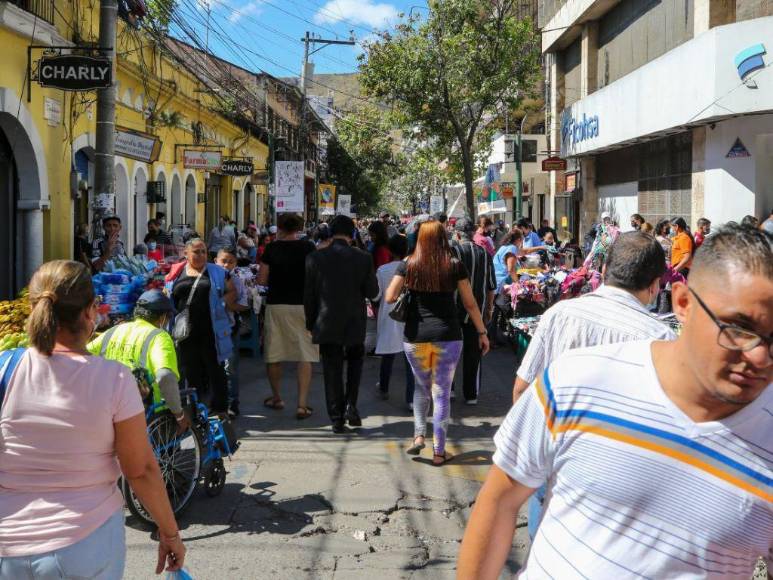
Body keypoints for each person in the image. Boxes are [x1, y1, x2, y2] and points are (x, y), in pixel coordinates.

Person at [458, 224, 772, 579]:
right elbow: (499, 501)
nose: (760, 357)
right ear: (682, 303)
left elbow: (520, 388)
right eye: (739, 328)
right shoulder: (576, 377)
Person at [0, 261, 186, 578]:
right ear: (90, 313)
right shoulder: (114, 379)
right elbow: (139, 470)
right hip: (85, 542)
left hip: (8, 547)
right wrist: (169, 533)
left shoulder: (5, 367)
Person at [511, 231, 676, 541]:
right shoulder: (663, 339)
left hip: (552, 467)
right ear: (655, 286)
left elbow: (522, 390)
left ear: (603, 272)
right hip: (622, 495)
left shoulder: (559, 315)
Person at [385, 220, 490, 465]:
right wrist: (482, 332)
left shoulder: (408, 264)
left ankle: (419, 436)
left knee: (422, 389)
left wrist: (410, 289)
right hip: (448, 336)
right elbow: (470, 303)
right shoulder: (454, 265)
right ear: (444, 237)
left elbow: (389, 297)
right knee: (441, 393)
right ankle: (439, 452)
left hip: (416, 337)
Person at [305, 215, 379, 433]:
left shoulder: (315, 258)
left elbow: (309, 295)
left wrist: (310, 323)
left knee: (331, 368)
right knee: (355, 363)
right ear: (352, 233)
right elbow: (372, 292)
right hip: (354, 321)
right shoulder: (363, 258)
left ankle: (336, 417)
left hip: (326, 320)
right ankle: (351, 405)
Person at [88, 289, 190, 432]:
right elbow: (165, 376)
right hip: (150, 415)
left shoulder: (115, 331)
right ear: (162, 318)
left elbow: (82, 357)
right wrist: (179, 414)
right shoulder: (160, 337)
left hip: (110, 410)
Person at [257, 213, 318, 420]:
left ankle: (277, 398)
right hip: (303, 305)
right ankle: (302, 405)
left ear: (280, 227)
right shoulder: (309, 247)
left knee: (274, 353)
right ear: (299, 227)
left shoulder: (272, 249)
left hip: (277, 304)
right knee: (305, 354)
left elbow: (262, 280)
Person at [166, 238, 235, 416]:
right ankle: (195, 409)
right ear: (186, 254)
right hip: (185, 332)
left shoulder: (218, 272)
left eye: (204, 251)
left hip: (211, 330)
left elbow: (232, 291)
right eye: (197, 251)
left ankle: (220, 408)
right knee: (190, 371)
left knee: (216, 369)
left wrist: (223, 305)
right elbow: (169, 295)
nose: (201, 255)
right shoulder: (176, 271)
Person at [450, 218, 497, 405]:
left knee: (450, 352)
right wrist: (489, 309)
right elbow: (491, 286)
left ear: (458, 234)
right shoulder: (485, 254)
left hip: (452, 310)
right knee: (473, 353)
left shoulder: (453, 252)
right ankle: (470, 394)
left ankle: (450, 390)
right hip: (477, 310)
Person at [374, 234, 415, 405]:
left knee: (388, 355)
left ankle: (384, 387)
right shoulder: (412, 268)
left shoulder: (383, 270)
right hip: (409, 315)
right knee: (410, 358)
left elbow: (376, 295)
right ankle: (411, 399)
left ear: (390, 250)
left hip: (389, 314)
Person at [215, 249, 250, 418]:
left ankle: (232, 403)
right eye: (223, 261)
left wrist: (228, 304)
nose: (226, 265)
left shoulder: (237, 281)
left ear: (235, 264)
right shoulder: (209, 278)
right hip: (210, 330)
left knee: (230, 368)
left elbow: (244, 305)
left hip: (229, 329)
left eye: (230, 262)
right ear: (216, 260)